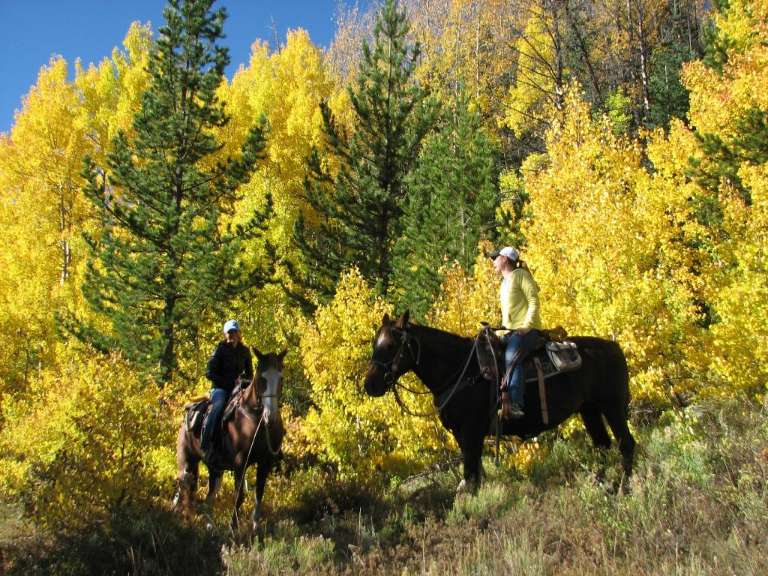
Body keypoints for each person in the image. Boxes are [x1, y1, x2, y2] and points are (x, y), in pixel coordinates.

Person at [490, 246, 542, 419]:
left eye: (495, 258)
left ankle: (515, 404)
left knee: (512, 356)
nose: (493, 262)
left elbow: (534, 300)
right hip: (509, 332)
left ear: (505, 258)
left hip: (527, 331)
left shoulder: (521, 275)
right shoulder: (504, 283)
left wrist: (527, 326)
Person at [200, 319, 254, 461]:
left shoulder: (245, 351)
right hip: (220, 389)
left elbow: (250, 374)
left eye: (235, 332)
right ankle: (206, 446)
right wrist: (227, 382)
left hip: (239, 390)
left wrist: (243, 382)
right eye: (230, 332)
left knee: (256, 407)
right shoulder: (220, 349)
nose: (232, 334)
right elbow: (209, 372)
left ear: (239, 334)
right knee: (218, 407)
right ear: (225, 334)